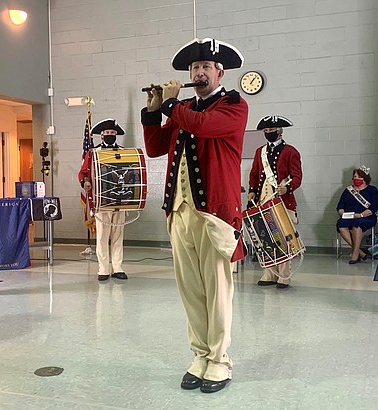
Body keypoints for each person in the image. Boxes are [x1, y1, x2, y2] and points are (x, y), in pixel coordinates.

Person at [141, 38, 248, 394]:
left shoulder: (234, 105)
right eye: (194, 68)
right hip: (179, 210)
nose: (199, 73)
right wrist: (153, 110)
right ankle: (200, 355)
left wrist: (170, 104)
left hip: (214, 213)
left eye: (205, 68)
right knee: (191, 291)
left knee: (217, 291)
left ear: (220, 72)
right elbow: (156, 148)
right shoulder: (183, 107)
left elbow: (202, 126)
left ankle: (220, 361)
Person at [247, 115, 303, 288]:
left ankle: (284, 276)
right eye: (266, 131)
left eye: (271, 130)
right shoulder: (259, 152)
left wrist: (287, 188)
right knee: (266, 237)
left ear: (280, 131)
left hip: (282, 201)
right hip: (263, 199)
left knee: (283, 238)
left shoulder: (291, 151)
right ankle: (269, 273)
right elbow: (254, 174)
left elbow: (297, 177)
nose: (268, 133)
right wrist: (251, 192)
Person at [78, 118, 129, 282]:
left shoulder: (123, 151)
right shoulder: (93, 152)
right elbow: (83, 172)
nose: (110, 135)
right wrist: (85, 182)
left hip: (120, 199)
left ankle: (118, 267)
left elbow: (131, 172)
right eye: (107, 133)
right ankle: (103, 269)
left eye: (113, 133)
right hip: (101, 200)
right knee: (102, 236)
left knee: (117, 235)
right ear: (101, 135)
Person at [336, 166, 378, 264]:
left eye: (357, 177)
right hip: (349, 216)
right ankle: (360, 252)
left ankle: (355, 254)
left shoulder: (372, 190)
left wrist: (360, 215)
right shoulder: (348, 191)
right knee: (341, 224)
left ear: (364, 178)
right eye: (354, 177)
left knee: (357, 224)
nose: (354, 179)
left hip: (366, 217)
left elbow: (373, 208)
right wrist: (343, 213)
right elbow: (340, 206)